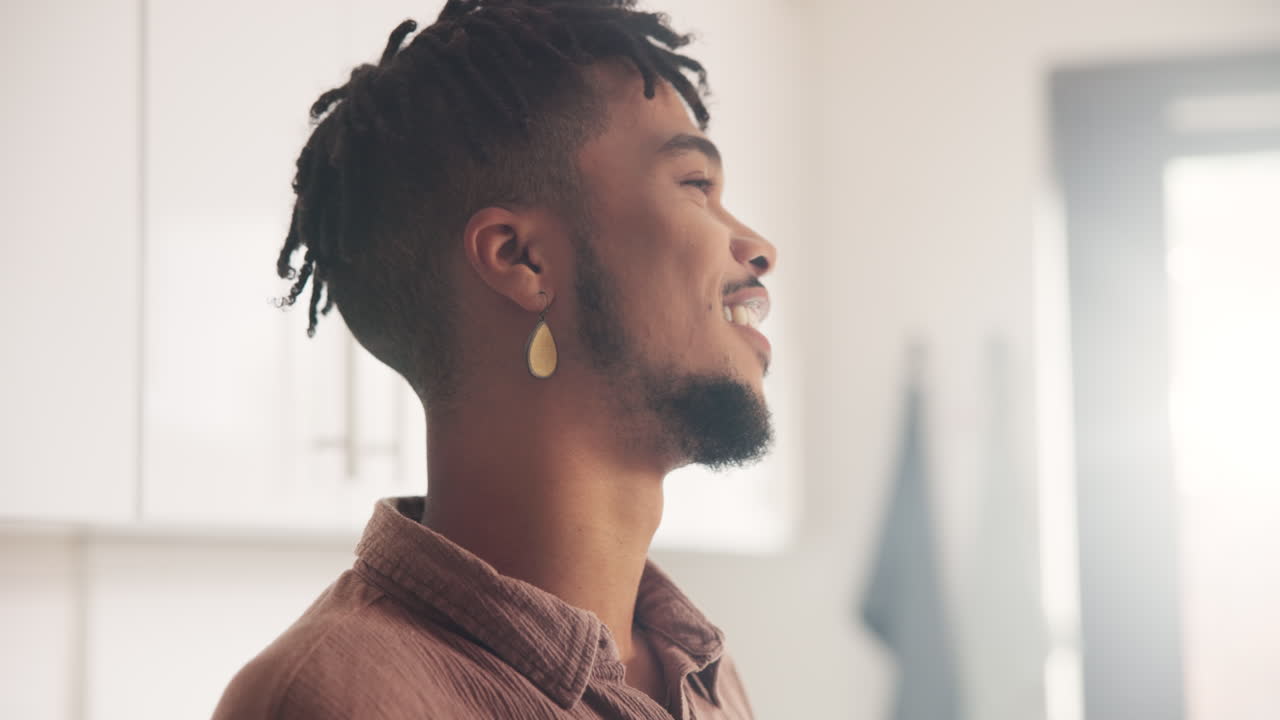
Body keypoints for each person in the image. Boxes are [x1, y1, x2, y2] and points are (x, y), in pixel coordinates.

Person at [213, 0, 777, 717]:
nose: (759, 247)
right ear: (523, 259)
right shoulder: (341, 699)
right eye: (697, 185)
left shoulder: (702, 676)